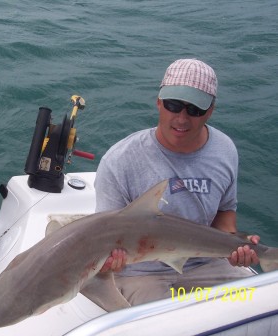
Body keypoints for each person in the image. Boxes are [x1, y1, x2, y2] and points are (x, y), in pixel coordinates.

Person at [94, 58, 260, 306]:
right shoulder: (120, 160)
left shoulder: (224, 150)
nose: (182, 118)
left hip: (206, 265)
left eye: (194, 110)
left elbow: (225, 213)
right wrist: (109, 262)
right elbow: (103, 239)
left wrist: (235, 247)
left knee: (260, 305)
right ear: (159, 102)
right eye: (173, 105)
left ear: (211, 111)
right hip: (142, 274)